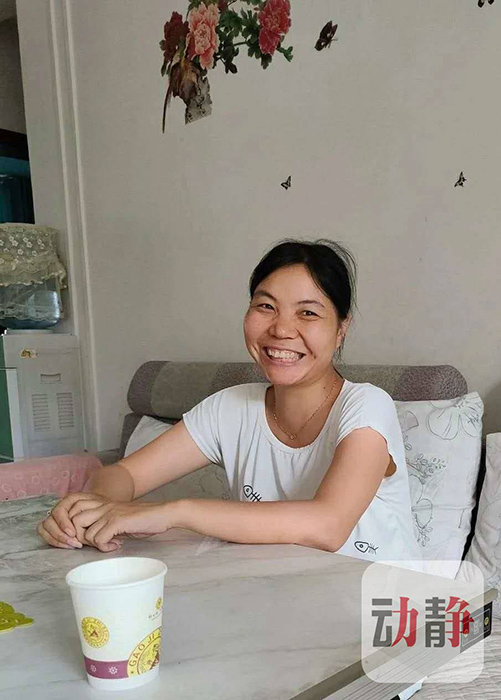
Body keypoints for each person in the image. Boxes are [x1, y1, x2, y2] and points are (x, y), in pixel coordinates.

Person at [37, 238, 422, 571]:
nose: (281, 329)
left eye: (308, 312)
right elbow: (127, 475)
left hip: (387, 608)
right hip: (282, 595)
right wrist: (91, 509)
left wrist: (174, 512)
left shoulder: (367, 407)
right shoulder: (231, 408)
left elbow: (327, 526)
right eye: (266, 306)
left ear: (341, 329)